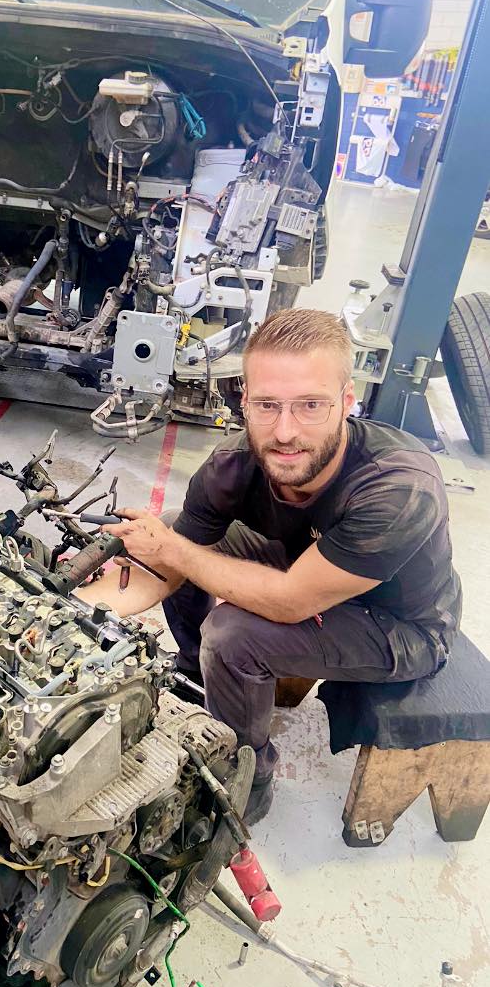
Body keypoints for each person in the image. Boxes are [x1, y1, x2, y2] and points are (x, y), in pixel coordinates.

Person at [78, 308, 461, 824]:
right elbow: (166, 566)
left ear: (347, 401)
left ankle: (247, 777)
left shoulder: (397, 485)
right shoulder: (231, 467)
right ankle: (197, 672)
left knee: (232, 634)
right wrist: (72, 610)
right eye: (267, 405)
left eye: (310, 405)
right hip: (308, 566)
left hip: (399, 625)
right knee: (176, 534)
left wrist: (175, 551)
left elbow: (290, 601)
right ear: (244, 400)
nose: (284, 431)